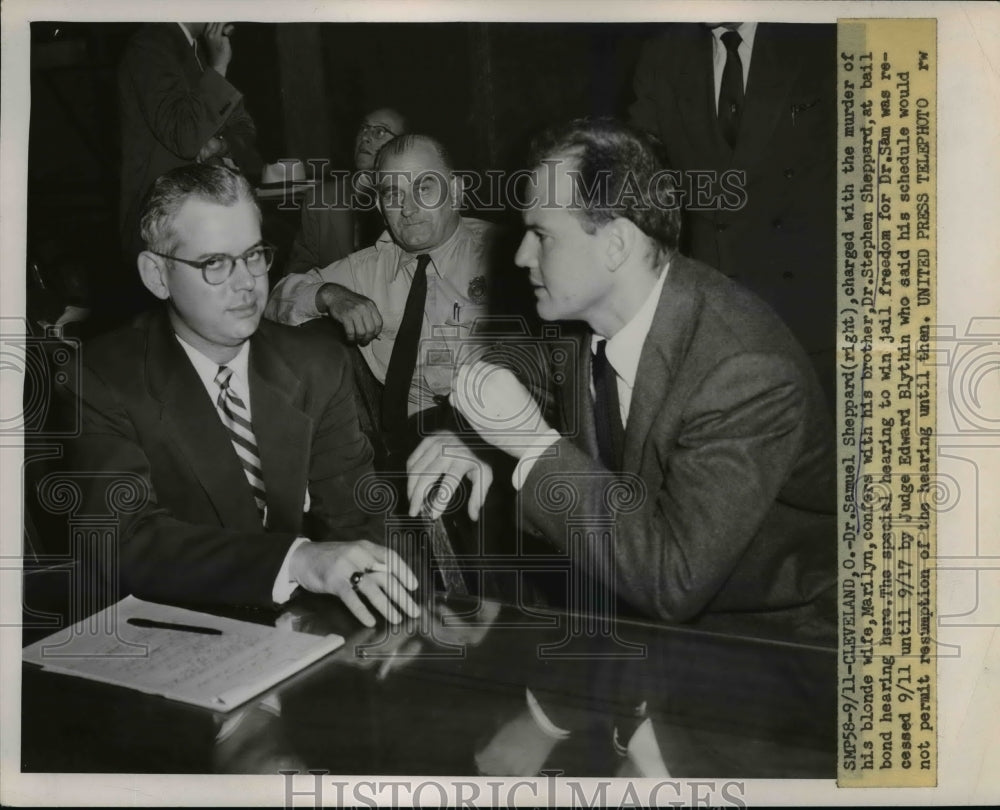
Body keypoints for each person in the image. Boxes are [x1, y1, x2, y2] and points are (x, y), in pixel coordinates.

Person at [411, 118, 836, 637]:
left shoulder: (744, 370)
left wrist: (530, 443)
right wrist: (477, 438)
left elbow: (673, 580)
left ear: (615, 244)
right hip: (640, 623)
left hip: (777, 645)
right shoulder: (585, 321)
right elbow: (534, 380)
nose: (521, 256)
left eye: (541, 235)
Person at [68, 163, 419, 626]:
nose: (247, 282)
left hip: (295, 630)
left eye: (253, 255)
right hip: (162, 632)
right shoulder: (101, 378)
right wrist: (295, 560)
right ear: (157, 275)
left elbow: (358, 518)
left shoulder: (317, 364)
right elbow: (123, 541)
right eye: (214, 263)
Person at [629, 22, 836, 407]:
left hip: (811, 318)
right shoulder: (663, 55)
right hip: (717, 318)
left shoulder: (820, 36)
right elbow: (639, 166)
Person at [265, 133, 497, 457]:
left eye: (424, 188)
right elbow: (274, 299)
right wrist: (331, 295)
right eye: (393, 194)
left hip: (493, 437)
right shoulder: (368, 269)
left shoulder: (503, 256)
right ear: (379, 207)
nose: (408, 208)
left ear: (455, 191)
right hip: (405, 450)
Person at [118, 22, 263, 268]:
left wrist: (220, 145)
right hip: (166, 224)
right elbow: (185, 138)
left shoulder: (202, 51)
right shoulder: (150, 46)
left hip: (209, 215)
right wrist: (218, 67)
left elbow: (245, 129)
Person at [284, 107, 409, 277]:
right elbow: (297, 276)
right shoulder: (320, 199)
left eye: (380, 132)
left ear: (404, 146)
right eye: (363, 128)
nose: (365, 137)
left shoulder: (412, 203)